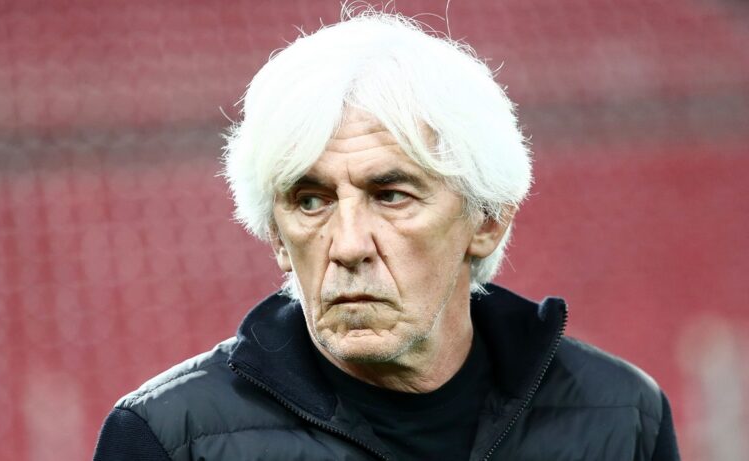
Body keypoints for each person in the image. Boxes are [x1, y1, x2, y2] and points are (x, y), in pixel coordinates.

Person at [93, 10, 680, 461]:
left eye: (391, 195)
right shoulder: (169, 439)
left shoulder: (624, 416)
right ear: (276, 236)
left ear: (487, 219)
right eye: (311, 201)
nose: (349, 246)